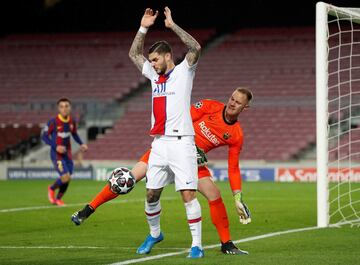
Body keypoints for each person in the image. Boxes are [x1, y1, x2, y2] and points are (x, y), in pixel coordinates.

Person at [72, 88, 253, 255]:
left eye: (238, 102)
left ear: (245, 107)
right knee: (127, 181)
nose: (232, 103)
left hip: (191, 161)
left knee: (214, 195)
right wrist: (189, 144)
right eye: (231, 98)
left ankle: (226, 244)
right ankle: (88, 210)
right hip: (169, 150)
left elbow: (233, 167)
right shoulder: (208, 106)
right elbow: (181, 119)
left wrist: (237, 197)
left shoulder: (236, 134)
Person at [42, 98, 88, 206]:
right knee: (65, 177)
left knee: (68, 178)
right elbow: (44, 137)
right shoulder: (53, 122)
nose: (64, 108)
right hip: (56, 154)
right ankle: (52, 188)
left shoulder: (72, 121)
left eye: (66, 106)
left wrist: (81, 144)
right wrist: (56, 146)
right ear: (58, 108)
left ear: (70, 107)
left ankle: (58, 199)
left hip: (67, 154)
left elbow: (75, 134)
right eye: (62, 106)